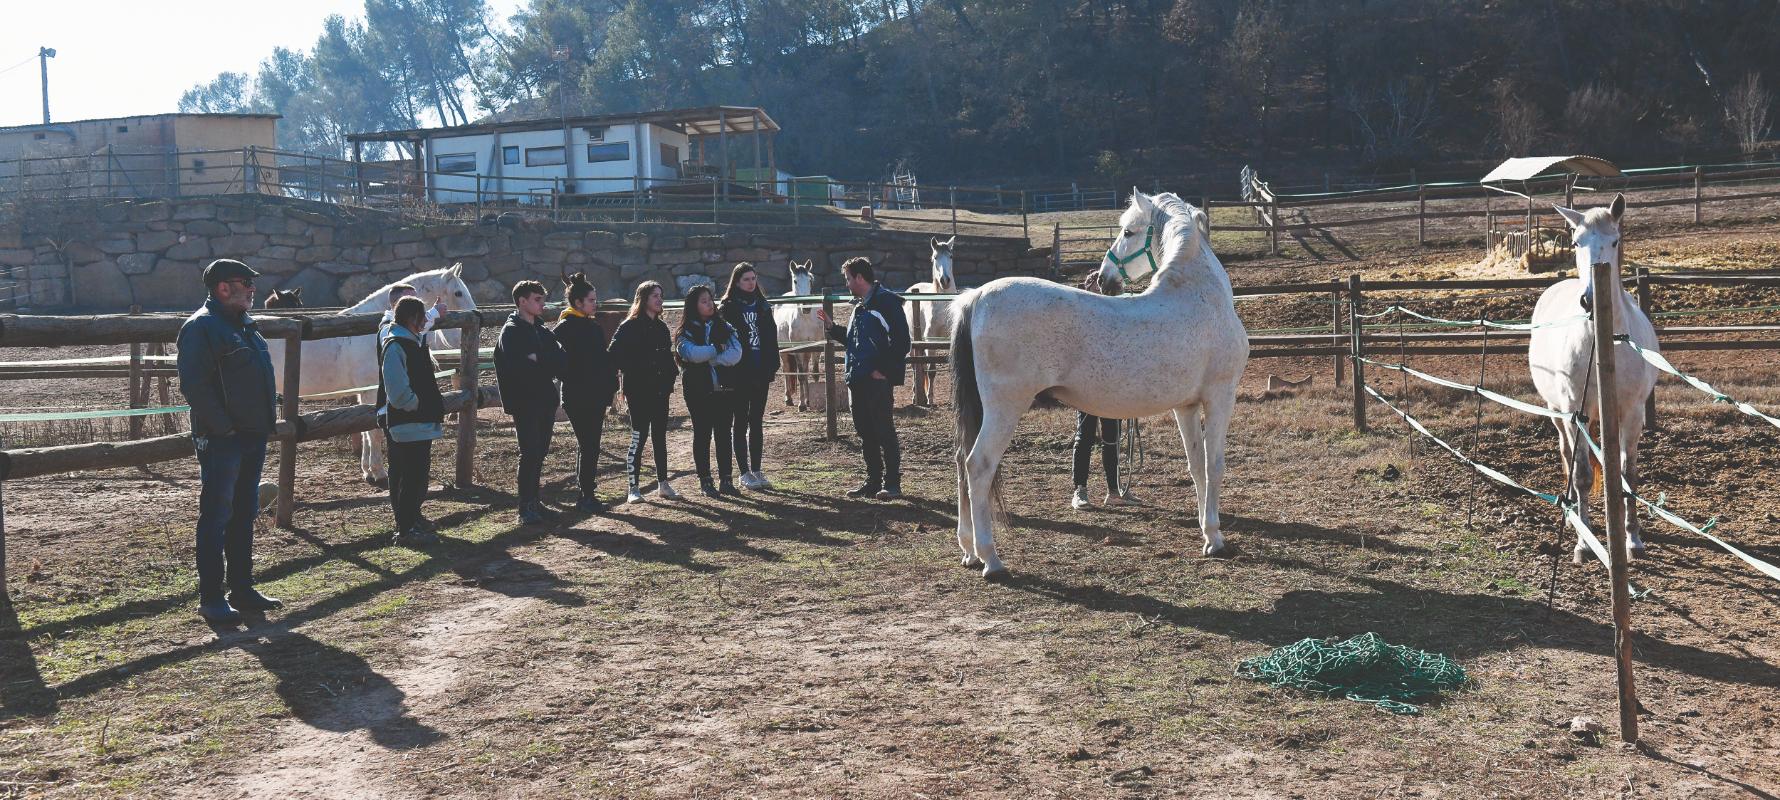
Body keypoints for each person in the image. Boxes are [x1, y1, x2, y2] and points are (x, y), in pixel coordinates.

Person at [176, 258, 283, 625]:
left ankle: (242, 589)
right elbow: (194, 385)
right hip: (225, 440)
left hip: (250, 436)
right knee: (217, 516)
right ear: (224, 288)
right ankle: (212, 599)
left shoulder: (242, 325)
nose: (253, 289)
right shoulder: (202, 327)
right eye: (245, 283)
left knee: (243, 513)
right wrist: (224, 429)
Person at [816, 258, 911, 501]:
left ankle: (892, 483)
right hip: (857, 379)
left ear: (859, 277)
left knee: (883, 430)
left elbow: (902, 342)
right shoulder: (860, 307)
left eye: (848, 278)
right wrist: (832, 327)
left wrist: (883, 370)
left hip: (876, 380)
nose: (846, 284)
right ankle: (872, 481)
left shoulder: (887, 303)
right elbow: (854, 341)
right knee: (865, 433)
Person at [493, 280, 566, 523]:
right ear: (523, 301)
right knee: (530, 452)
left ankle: (535, 501)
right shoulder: (511, 332)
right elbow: (518, 368)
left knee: (541, 451)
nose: (543, 304)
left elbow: (562, 360)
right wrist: (546, 366)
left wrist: (540, 359)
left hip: (545, 400)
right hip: (524, 401)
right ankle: (525, 507)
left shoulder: (543, 331)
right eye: (538, 299)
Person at [1070, 275, 1143, 510]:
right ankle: (1080, 490)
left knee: (1112, 438)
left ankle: (1114, 491)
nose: (1099, 293)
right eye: (1093, 287)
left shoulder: (1115, 318)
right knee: (1085, 436)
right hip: (1087, 386)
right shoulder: (1081, 319)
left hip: (1112, 387)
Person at [378, 296, 446, 544]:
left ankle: (409, 526)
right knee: (410, 477)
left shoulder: (412, 343)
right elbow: (398, 393)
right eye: (422, 316)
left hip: (418, 423)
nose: (426, 320)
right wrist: (421, 406)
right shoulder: (397, 346)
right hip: (409, 423)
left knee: (415, 476)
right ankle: (406, 530)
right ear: (410, 318)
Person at [554, 271, 621, 513]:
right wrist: (579, 380)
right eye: (591, 301)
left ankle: (586, 494)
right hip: (577, 397)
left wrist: (610, 383)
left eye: (595, 299)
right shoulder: (564, 328)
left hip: (595, 397)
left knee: (591, 444)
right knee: (589, 444)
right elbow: (559, 364)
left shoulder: (593, 328)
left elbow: (601, 360)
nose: (595, 304)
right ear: (578, 303)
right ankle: (586, 495)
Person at [608, 281, 679, 503]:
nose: (660, 299)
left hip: (660, 392)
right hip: (639, 392)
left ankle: (663, 484)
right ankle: (633, 488)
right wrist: (644, 364)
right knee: (639, 437)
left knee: (660, 437)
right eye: (655, 295)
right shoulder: (628, 327)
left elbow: (667, 357)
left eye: (661, 295)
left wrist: (670, 377)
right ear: (643, 299)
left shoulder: (662, 327)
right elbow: (614, 355)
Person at [676, 284, 744, 497]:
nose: (709, 305)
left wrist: (708, 358)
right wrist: (716, 350)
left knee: (724, 433)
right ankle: (705, 481)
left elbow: (736, 354)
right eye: (703, 301)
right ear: (693, 305)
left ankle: (726, 480)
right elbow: (691, 354)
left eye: (710, 300)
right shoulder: (684, 331)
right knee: (702, 433)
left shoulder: (726, 327)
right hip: (697, 389)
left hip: (724, 389)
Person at [719, 263, 780, 489]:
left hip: (761, 372)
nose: (751, 282)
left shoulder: (763, 306)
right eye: (746, 279)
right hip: (739, 373)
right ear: (736, 282)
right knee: (740, 421)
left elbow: (771, 338)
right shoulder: (728, 307)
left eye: (753, 278)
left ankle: (757, 469)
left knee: (756, 421)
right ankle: (743, 472)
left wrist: (771, 366)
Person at [378, 283, 447, 342]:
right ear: (396, 305)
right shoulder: (387, 330)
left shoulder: (407, 324)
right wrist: (433, 313)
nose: (416, 304)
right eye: (410, 301)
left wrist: (433, 313)